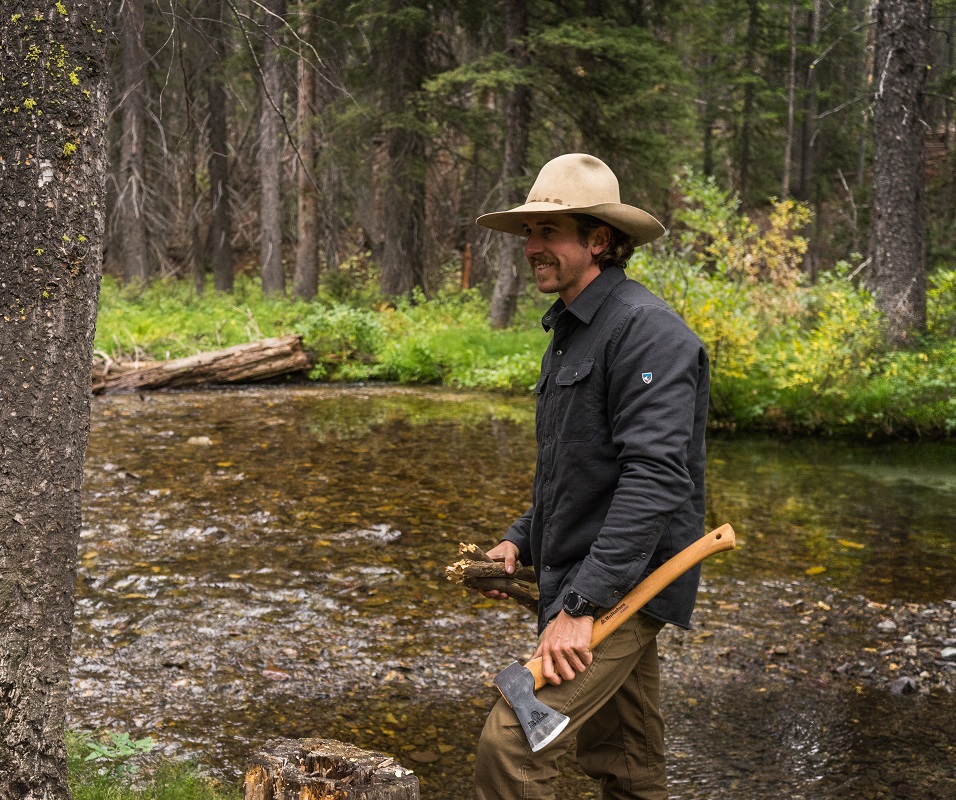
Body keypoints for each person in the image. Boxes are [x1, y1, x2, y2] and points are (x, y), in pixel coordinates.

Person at [472, 153, 710, 800]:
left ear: (600, 241)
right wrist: (522, 539)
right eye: (530, 233)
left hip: (624, 582)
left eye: (549, 233)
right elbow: (572, 466)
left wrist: (582, 606)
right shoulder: (575, 329)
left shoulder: (648, 333)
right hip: (586, 572)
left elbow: (656, 478)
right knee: (625, 759)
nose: (532, 248)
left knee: (512, 740)